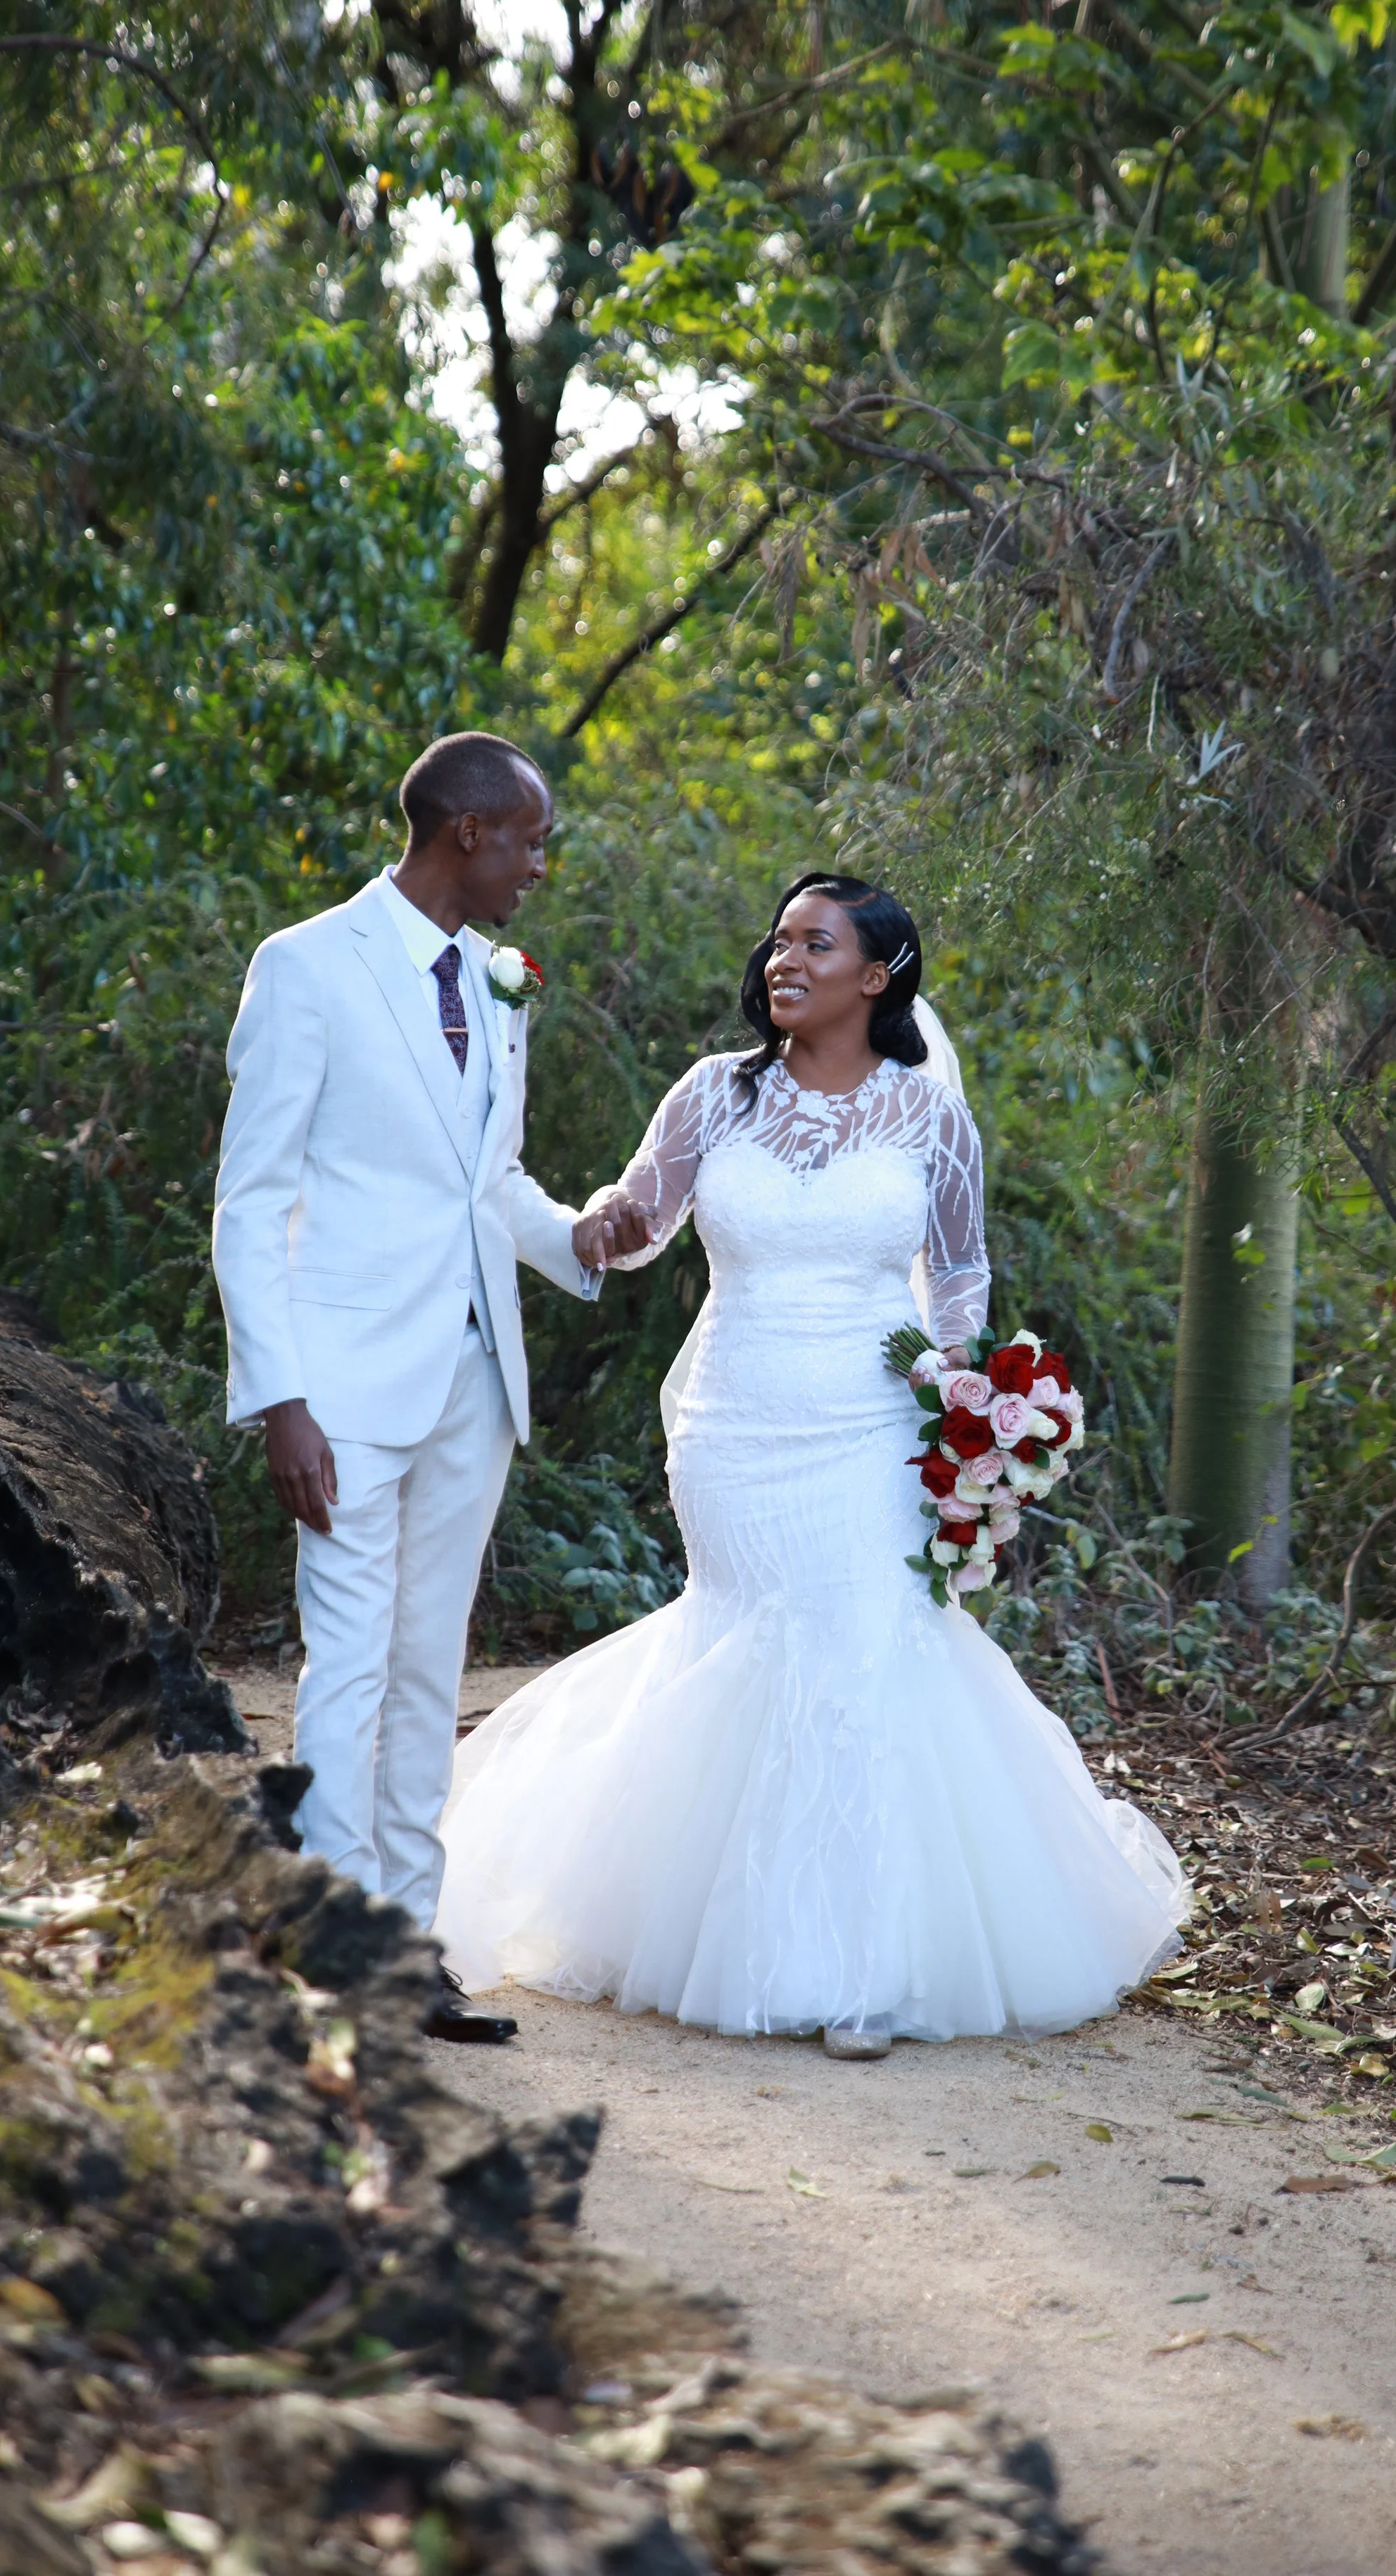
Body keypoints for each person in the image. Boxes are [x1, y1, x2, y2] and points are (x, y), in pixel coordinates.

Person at [436, 871, 1189, 2055]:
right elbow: (637, 1219)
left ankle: (860, 1971)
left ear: (876, 976)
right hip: (734, 1424)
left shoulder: (932, 1117)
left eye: (816, 942)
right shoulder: (711, 1096)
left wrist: (966, 1392)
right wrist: (599, 1225)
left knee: (859, 1649)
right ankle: (736, 1931)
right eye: (779, 938)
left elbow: (961, 1276)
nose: (784, 958)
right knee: (750, 1636)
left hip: (870, 1421)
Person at [212, 733, 637, 2043]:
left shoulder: (497, 984)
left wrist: (577, 1235)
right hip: (338, 1384)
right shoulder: (305, 968)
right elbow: (250, 1197)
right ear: (467, 835)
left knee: (424, 1663)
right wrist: (279, 1396)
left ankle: (409, 1942)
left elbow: (485, 1183)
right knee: (344, 1665)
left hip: (472, 1380)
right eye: (528, 839)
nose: (538, 864)